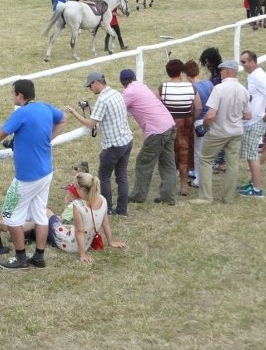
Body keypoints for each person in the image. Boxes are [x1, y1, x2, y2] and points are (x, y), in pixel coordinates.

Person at [0, 78, 67, 269]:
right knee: (40, 214)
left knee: (8, 215)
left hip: (26, 178)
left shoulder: (22, 114)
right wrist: (49, 138)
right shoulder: (46, 107)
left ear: (20, 96)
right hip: (46, 172)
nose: (11, 96)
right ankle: (39, 257)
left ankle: (21, 257)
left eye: (13, 93)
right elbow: (63, 118)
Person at [66, 72, 134, 216]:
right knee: (121, 176)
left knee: (103, 177)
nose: (90, 89)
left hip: (113, 145)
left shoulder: (102, 100)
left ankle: (107, 208)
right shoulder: (116, 93)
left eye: (90, 86)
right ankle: (122, 210)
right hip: (127, 141)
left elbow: (91, 124)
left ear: (97, 82)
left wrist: (74, 113)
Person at [189, 60, 252, 205]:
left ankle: (205, 197)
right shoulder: (243, 90)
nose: (220, 74)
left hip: (218, 132)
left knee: (205, 160)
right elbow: (248, 115)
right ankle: (228, 197)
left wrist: (205, 126)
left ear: (228, 71)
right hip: (236, 132)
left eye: (222, 71)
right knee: (232, 164)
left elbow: (210, 115)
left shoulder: (219, 89)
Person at [119, 68, 177, 205]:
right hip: (169, 125)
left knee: (143, 163)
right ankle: (168, 197)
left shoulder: (128, 92)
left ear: (122, 81)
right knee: (168, 164)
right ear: (134, 78)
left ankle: (138, 195)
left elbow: (117, 107)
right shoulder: (141, 86)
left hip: (156, 131)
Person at [48, 173, 126, 264]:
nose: (75, 190)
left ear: (83, 189)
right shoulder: (103, 200)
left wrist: (82, 254)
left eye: (76, 188)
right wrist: (111, 241)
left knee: (47, 213)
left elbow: (79, 232)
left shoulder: (78, 205)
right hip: (86, 244)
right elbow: (106, 224)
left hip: (69, 243)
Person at [238, 50, 266, 198]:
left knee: (252, 156)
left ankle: (257, 189)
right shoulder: (254, 76)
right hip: (252, 120)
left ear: (252, 62)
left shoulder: (258, 76)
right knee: (251, 155)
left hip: (255, 121)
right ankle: (253, 183)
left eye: (243, 62)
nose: (241, 64)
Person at [158, 59, 201, 197]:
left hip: (168, 126)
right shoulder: (191, 88)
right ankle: (184, 186)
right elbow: (199, 107)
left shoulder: (162, 88)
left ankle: (167, 186)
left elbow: (156, 105)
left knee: (168, 156)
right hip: (185, 126)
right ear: (182, 72)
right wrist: (192, 119)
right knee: (184, 155)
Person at [184, 59, 214, 189]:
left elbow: (195, 108)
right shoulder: (208, 83)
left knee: (198, 152)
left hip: (199, 122)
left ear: (186, 74)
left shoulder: (192, 88)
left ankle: (199, 179)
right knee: (208, 151)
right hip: (212, 120)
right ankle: (205, 174)